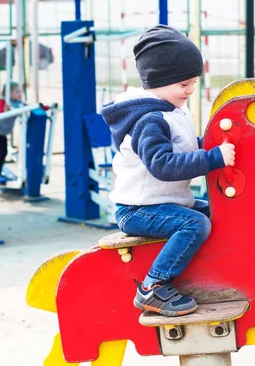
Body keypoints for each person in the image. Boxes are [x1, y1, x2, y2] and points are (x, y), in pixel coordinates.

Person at [100, 25, 236, 317]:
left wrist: (211, 144)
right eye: (183, 83)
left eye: (194, 82)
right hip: (138, 210)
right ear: (159, 81)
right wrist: (213, 157)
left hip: (162, 202)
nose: (190, 90)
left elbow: (183, 148)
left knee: (218, 209)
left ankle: (212, 269)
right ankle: (153, 287)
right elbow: (162, 165)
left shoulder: (172, 110)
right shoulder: (149, 120)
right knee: (195, 224)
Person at [0, 82, 24, 178]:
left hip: (3, 133)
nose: (20, 94)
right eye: (17, 92)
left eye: (20, 91)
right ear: (9, 94)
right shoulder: (4, 102)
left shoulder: (19, 103)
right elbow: (1, 110)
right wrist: (6, 109)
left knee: (4, 153)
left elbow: (29, 107)